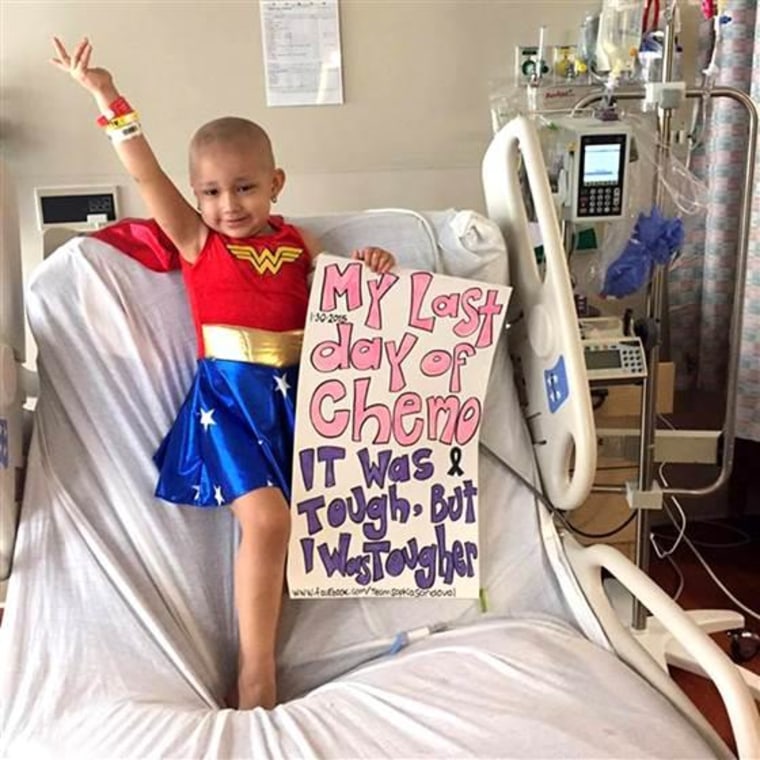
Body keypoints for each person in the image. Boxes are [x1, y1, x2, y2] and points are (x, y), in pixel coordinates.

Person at [50, 37, 395, 711]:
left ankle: (320, 645)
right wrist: (108, 98)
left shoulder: (298, 243)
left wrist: (372, 268)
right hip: (229, 404)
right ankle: (254, 674)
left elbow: (345, 300)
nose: (228, 205)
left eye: (243, 187)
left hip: (298, 399)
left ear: (276, 183)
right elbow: (148, 176)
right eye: (210, 191)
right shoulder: (199, 241)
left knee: (313, 520)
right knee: (267, 523)